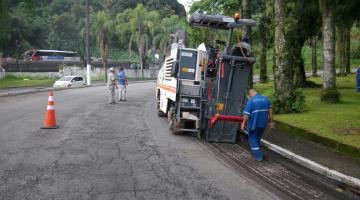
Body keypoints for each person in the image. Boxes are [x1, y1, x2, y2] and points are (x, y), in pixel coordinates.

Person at [241, 88, 274, 161]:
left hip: (254, 124)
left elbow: (246, 115)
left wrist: (243, 124)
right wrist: (271, 122)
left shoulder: (251, 101)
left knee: (252, 139)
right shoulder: (266, 99)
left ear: (250, 94)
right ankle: (257, 152)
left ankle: (259, 156)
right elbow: (271, 112)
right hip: (263, 124)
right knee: (257, 138)